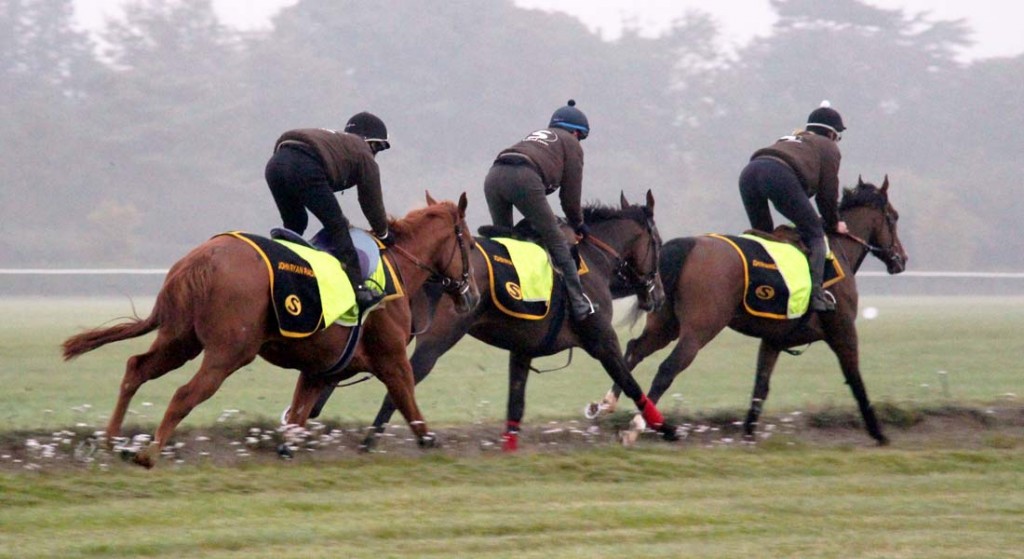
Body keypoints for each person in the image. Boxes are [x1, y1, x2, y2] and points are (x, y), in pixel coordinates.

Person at [264, 112, 395, 312]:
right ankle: (359, 289)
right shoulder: (362, 152)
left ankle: (276, 268)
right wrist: (383, 232)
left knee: (296, 224)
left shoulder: (338, 144)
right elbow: (371, 201)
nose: (376, 154)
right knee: (338, 227)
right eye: (378, 149)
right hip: (304, 163)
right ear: (373, 143)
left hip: (275, 165)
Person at [483, 99, 596, 322]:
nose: (580, 142)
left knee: (505, 241)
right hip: (524, 178)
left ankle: (502, 294)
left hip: (494, 176)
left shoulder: (539, 136)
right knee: (556, 240)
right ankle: (579, 302)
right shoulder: (571, 144)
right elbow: (570, 197)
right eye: (581, 138)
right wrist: (578, 223)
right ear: (576, 133)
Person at [738, 101, 849, 313]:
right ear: (832, 133)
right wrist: (834, 223)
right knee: (815, 233)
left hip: (749, 173)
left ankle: (757, 286)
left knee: (763, 236)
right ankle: (816, 296)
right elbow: (827, 195)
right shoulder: (828, 147)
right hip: (778, 175)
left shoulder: (793, 138)